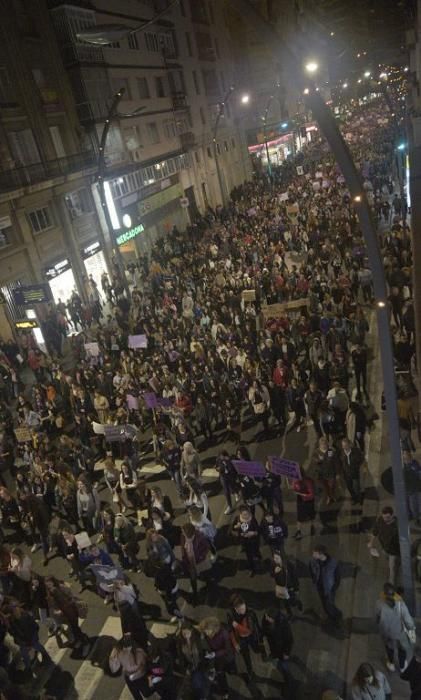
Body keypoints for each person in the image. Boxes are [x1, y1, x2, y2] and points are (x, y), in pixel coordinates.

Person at [375, 582, 415, 672]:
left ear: (384, 593)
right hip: (399, 632)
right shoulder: (400, 604)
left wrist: (378, 625)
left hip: (386, 632)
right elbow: (407, 619)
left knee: (389, 648)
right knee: (402, 648)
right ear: (394, 593)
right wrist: (411, 629)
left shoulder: (379, 603)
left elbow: (377, 616)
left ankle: (391, 664)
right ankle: (402, 666)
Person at [227, 593, 261, 677]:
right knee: (246, 656)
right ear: (234, 608)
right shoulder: (231, 615)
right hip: (241, 639)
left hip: (251, 637)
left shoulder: (250, 613)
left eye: (243, 606)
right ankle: (250, 671)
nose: (242, 610)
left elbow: (249, 630)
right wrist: (235, 643)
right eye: (239, 609)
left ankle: (260, 650)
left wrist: (236, 625)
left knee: (256, 647)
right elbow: (230, 630)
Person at [309, 544, 342, 626]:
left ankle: (336, 618)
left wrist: (334, 588)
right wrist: (314, 579)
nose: (313, 555)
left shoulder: (333, 563)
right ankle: (330, 616)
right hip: (320, 587)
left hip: (329, 589)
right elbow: (311, 571)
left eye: (315, 553)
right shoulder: (313, 561)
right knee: (324, 604)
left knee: (330, 604)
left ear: (320, 554)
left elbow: (337, 577)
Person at [261, 608, 294, 688]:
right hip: (274, 646)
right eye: (266, 616)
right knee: (276, 657)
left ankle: (288, 681)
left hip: (282, 650)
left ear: (274, 618)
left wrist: (286, 653)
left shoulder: (283, 624)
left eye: (268, 617)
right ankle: (274, 655)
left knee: (284, 666)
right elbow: (264, 630)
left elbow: (289, 640)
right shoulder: (265, 620)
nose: (266, 618)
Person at [367, 506, 400, 585]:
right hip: (384, 549)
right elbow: (374, 532)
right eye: (384, 517)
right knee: (389, 562)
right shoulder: (380, 520)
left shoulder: (397, 525)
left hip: (394, 551)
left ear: (392, 515)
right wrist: (371, 542)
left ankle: (391, 585)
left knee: (392, 569)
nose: (385, 519)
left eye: (388, 517)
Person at [109, 634, 148, 700]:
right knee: (142, 693)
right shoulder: (137, 650)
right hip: (135, 674)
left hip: (134, 675)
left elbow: (114, 668)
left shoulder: (119, 651)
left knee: (142, 693)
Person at [180, 522, 210, 604]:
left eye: (183, 532)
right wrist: (184, 557)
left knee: (203, 573)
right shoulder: (183, 536)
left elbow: (206, 547)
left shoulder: (199, 536)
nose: (182, 533)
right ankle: (195, 593)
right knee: (193, 578)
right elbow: (182, 548)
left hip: (198, 561)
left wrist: (201, 557)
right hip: (189, 562)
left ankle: (208, 584)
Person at [231, 506, 261, 576]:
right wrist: (236, 527)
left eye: (247, 514)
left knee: (255, 552)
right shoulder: (238, 519)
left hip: (253, 540)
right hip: (244, 541)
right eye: (244, 515)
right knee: (249, 555)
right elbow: (232, 528)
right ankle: (252, 567)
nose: (246, 516)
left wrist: (253, 533)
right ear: (241, 514)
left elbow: (258, 530)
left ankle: (256, 563)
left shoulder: (252, 519)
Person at [271, 550, 302, 617]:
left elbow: (294, 577)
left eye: (277, 558)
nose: (275, 560)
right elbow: (273, 576)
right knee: (286, 602)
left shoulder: (289, 565)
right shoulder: (274, 566)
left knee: (292, 599)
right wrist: (275, 573)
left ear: (281, 558)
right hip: (282, 588)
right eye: (274, 558)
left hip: (290, 587)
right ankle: (290, 614)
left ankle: (298, 603)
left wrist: (296, 588)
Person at [338, 437, 365, 505]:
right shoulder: (341, 453)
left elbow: (361, 459)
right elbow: (339, 463)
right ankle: (355, 499)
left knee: (356, 487)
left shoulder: (356, 451)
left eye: (346, 445)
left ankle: (359, 498)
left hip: (355, 473)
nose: (344, 447)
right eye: (343, 446)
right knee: (350, 488)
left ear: (349, 445)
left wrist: (357, 466)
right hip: (346, 474)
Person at [292, 470, 316, 540]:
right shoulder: (295, 480)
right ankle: (299, 531)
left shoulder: (308, 481)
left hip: (308, 501)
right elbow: (294, 488)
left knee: (311, 514)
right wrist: (293, 487)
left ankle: (312, 527)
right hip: (300, 500)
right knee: (299, 516)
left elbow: (311, 495)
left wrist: (299, 494)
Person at [403, 450, 421, 524]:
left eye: (407, 456)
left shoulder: (414, 464)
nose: (405, 459)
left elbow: (418, 474)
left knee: (414, 505)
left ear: (410, 456)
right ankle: (409, 516)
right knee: (406, 503)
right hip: (406, 489)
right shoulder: (403, 465)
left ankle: (417, 519)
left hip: (413, 489)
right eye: (404, 457)